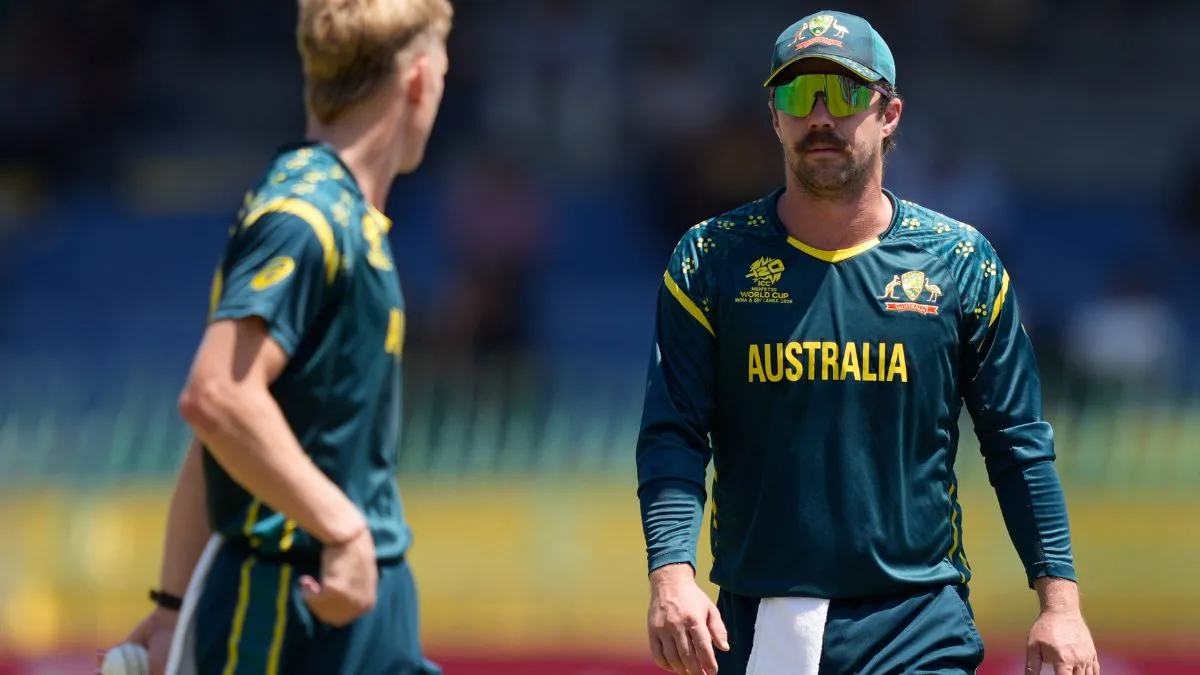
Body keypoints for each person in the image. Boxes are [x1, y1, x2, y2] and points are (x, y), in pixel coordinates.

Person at [634, 10, 1099, 675]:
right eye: (799, 94)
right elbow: (674, 433)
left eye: (846, 93)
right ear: (774, 117)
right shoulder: (710, 259)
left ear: (890, 114)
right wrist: (671, 576)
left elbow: (1018, 443)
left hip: (919, 622)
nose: (820, 116)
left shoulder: (960, 264)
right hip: (761, 623)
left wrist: (1061, 604)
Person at [114, 1, 453, 673]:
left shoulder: (342, 213)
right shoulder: (305, 214)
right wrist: (344, 528)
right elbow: (218, 397)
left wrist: (174, 606)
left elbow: (228, 435)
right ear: (418, 78)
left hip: (352, 609)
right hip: (290, 613)